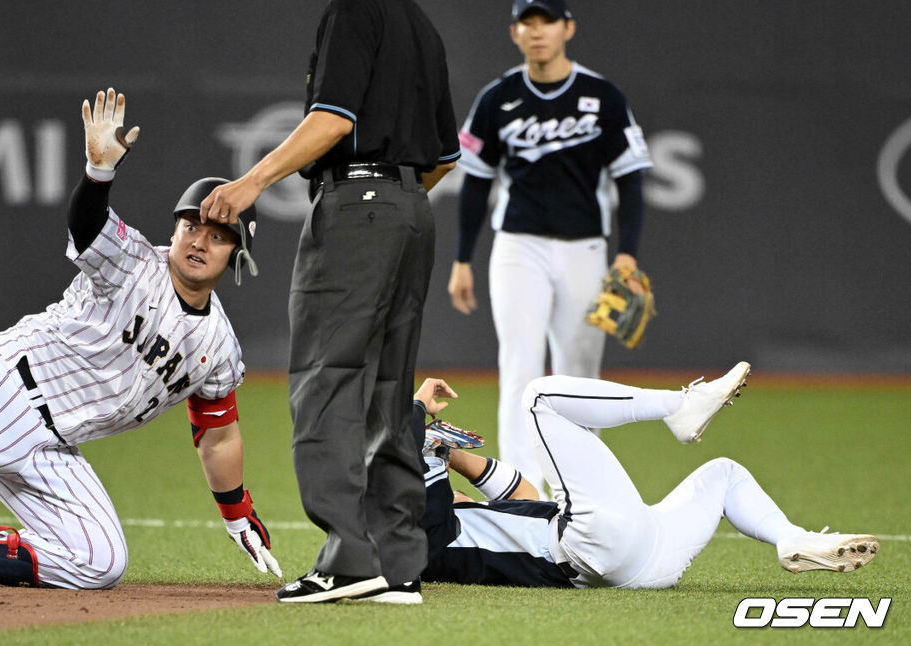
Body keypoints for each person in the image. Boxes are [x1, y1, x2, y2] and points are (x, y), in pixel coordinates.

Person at [0, 88, 280, 589]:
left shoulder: (219, 346)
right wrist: (99, 174)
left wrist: (236, 512)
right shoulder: (134, 261)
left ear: (237, 256)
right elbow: (87, 222)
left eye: (218, 235)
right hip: (3, 392)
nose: (200, 241)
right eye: (190, 226)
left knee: (98, 562)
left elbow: (217, 432)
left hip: (54, 445)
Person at [198, 0, 461, 604]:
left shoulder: (353, 9)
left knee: (328, 379)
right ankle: (394, 563)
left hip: (358, 207)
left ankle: (348, 560)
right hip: (412, 211)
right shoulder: (421, 24)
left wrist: (251, 182)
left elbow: (334, 120)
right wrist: (396, 201)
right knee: (388, 390)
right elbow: (446, 156)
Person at [410, 365, 879, 589]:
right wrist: (418, 419)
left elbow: (522, 493)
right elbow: (411, 476)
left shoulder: (455, 524)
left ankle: (791, 538)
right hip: (584, 547)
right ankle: (677, 407)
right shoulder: (418, 540)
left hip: (643, 563)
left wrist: (449, 454)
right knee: (538, 398)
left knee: (724, 475)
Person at [447, 0, 654, 494]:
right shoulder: (498, 97)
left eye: (547, 22)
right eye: (527, 23)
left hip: (584, 248)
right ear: (515, 32)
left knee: (580, 370)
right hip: (518, 247)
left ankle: (584, 486)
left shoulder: (601, 96)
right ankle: (521, 488)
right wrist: (461, 259)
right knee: (518, 362)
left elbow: (631, 179)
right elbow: (475, 182)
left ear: (568, 28)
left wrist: (628, 253)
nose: (537, 32)